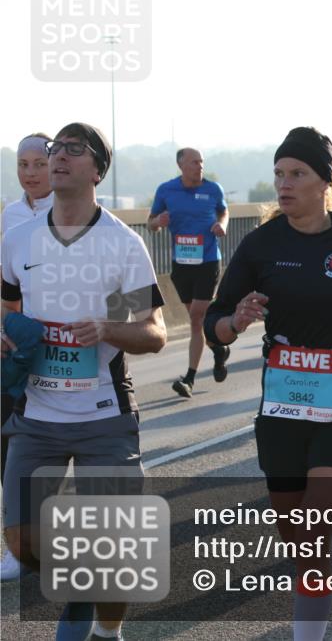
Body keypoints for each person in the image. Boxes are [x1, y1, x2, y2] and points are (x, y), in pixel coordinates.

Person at [204, 127, 332, 635]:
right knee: (299, 540)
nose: (283, 184)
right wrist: (236, 321)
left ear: (325, 181)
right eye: (278, 174)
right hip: (283, 402)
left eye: (297, 174)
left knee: (314, 526)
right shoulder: (260, 244)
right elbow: (216, 323)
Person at [2, 122, 168, 641]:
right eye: (55, 149)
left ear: (97, 170)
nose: (58, 157)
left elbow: (154, 332)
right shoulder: (17, 239)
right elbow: (8, 307)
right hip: (35, 417)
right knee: (20, 543)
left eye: (75, 150)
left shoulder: (121, 245)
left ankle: (105, 631)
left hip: (105, 416)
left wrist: (107, 328)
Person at [1, 132, 55, 582]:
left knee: (56, 449)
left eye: (39, 163)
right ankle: (19, 549)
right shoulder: (11, 216)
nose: (30, 172)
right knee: (11, 446)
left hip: (67, 350)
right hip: (18, 348)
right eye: (23, 163)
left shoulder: (75, 212)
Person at [148, 148, 230, 398]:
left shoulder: (213, 189)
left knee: (196, 317)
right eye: (194, 162)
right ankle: (218, 350)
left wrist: (221, 225)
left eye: (201, 161)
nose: (200, 166)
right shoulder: (166, 190)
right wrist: (158, 223)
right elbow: (151, 224)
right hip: (181, 264)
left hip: (207, 261)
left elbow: (224, 211)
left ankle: (189, 379)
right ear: (181, 165)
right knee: (199, 321)